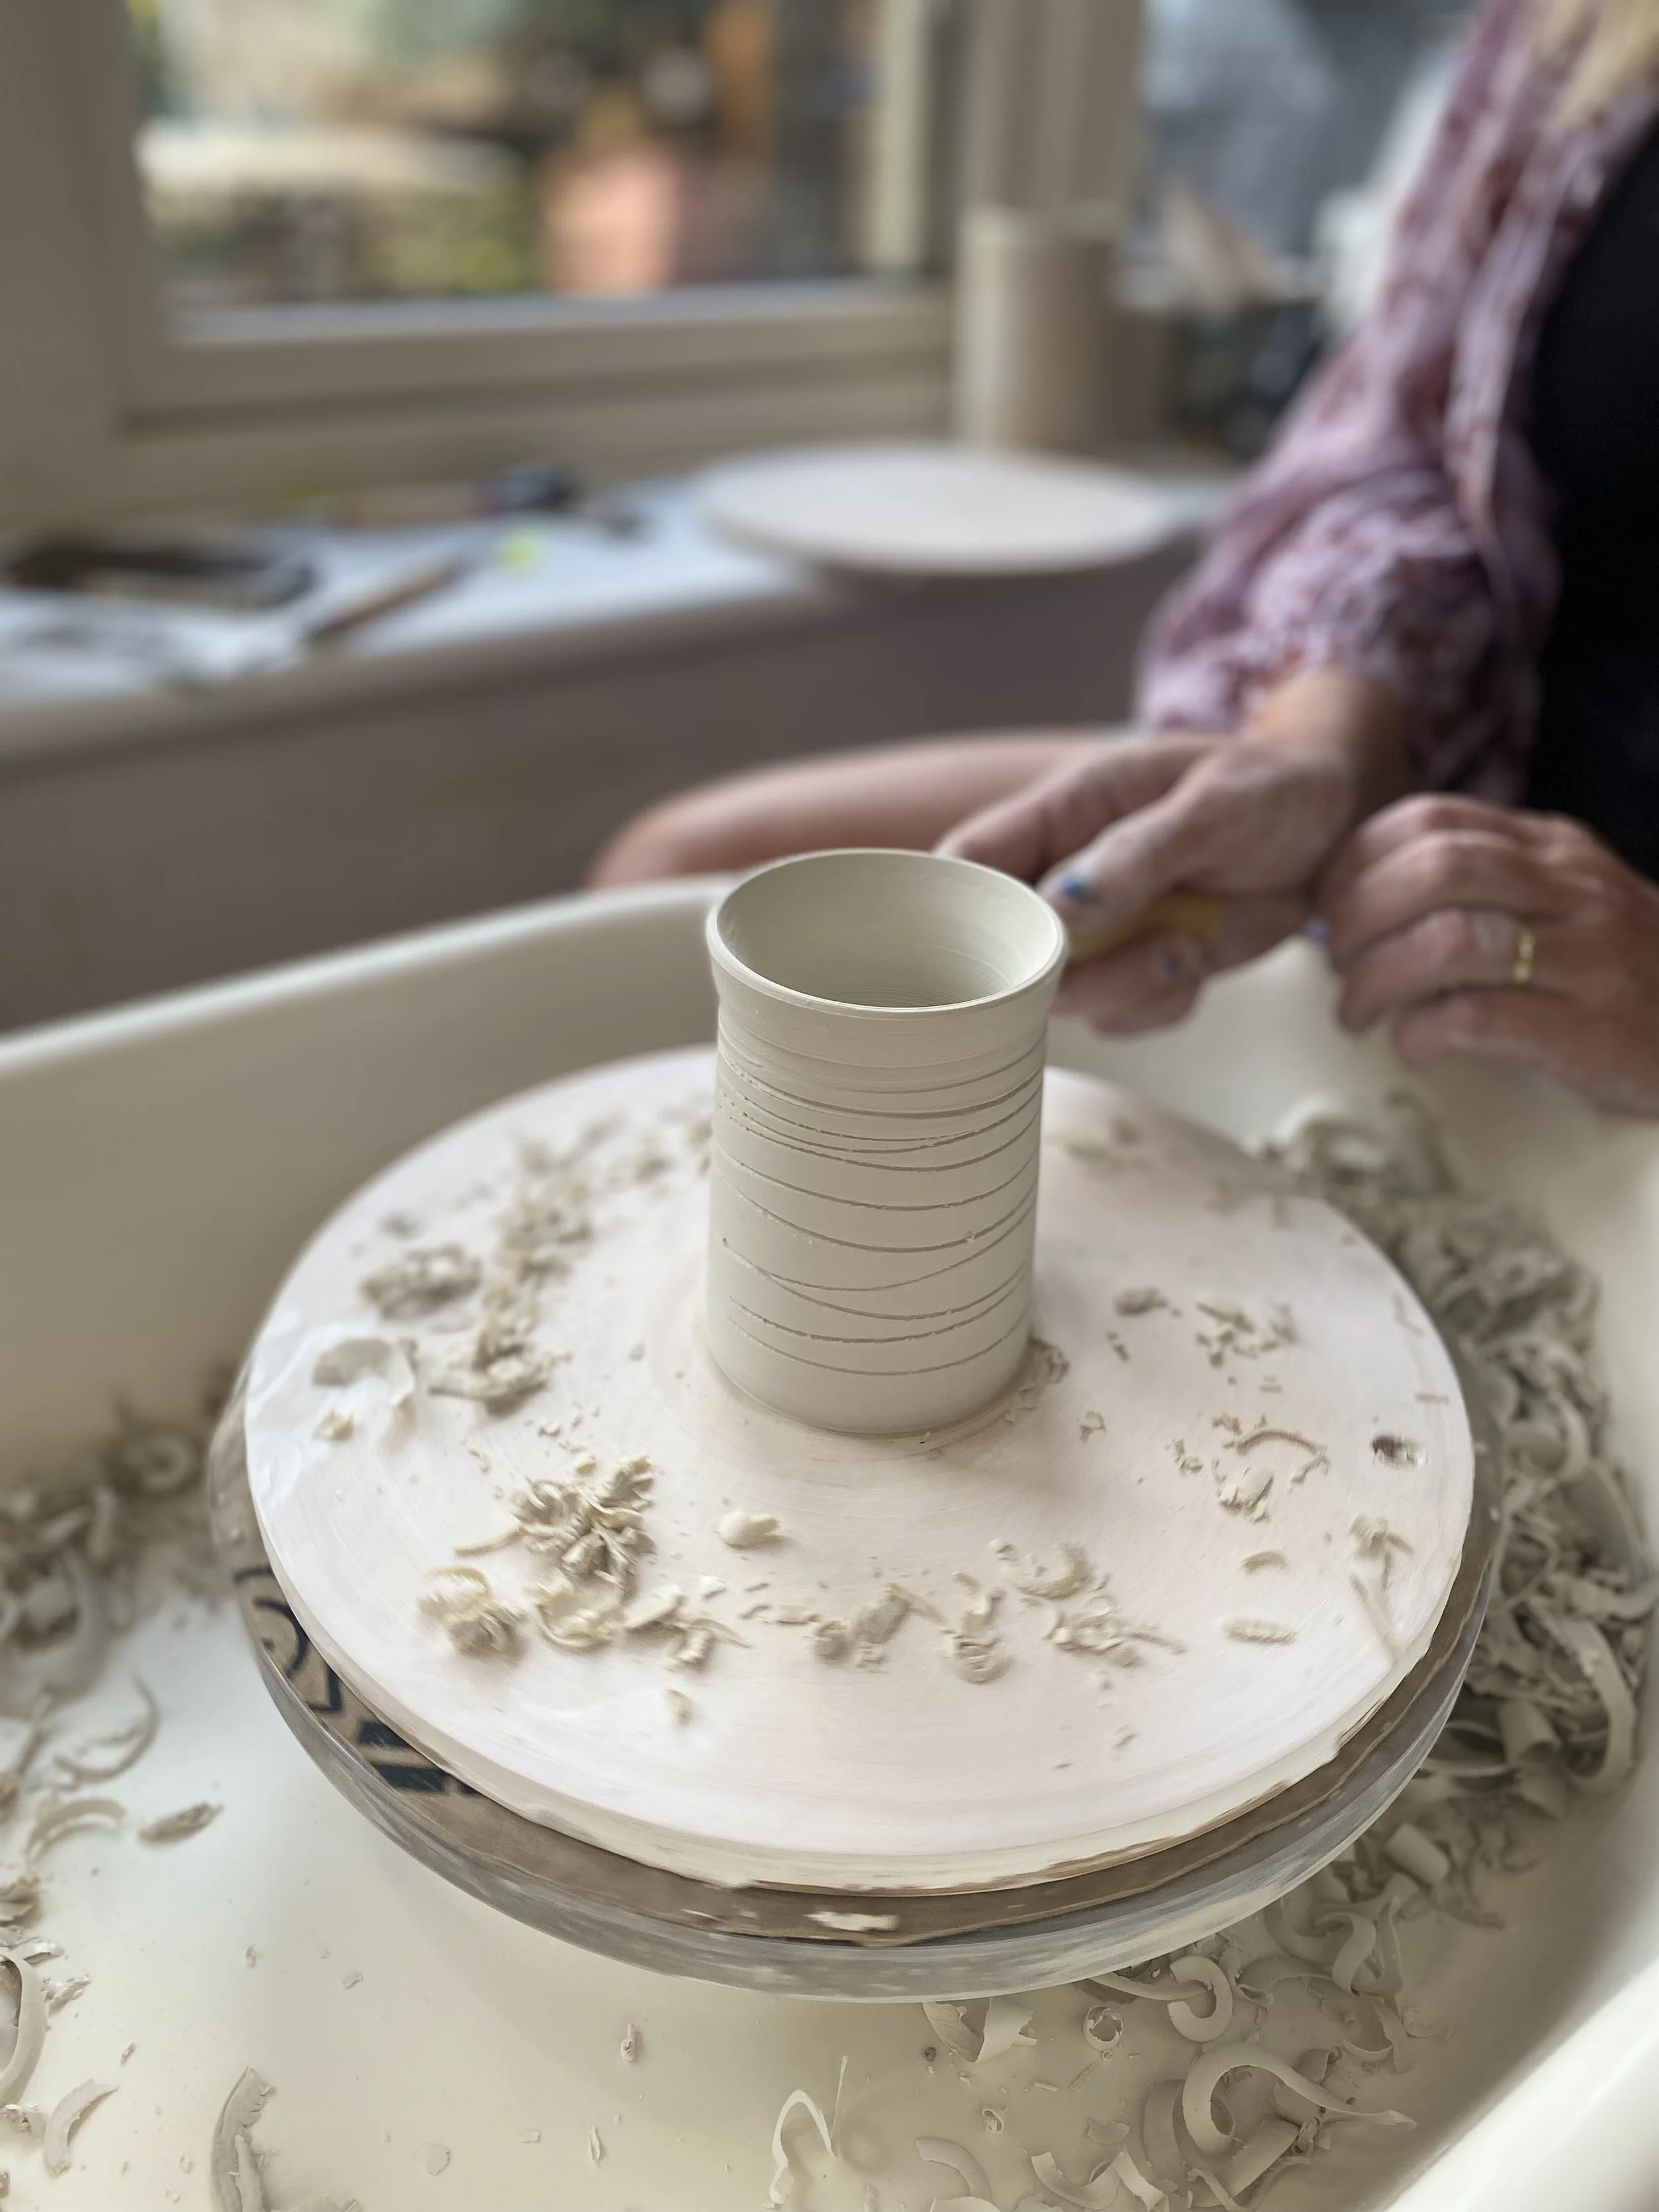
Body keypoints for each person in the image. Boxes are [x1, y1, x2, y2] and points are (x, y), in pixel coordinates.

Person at [591, 0, 1659, 1117]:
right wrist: (1319, 754)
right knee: (673, 877)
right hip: (1465, 772)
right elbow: (1413, 443)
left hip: (1621, 950)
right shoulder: (1573, 32)